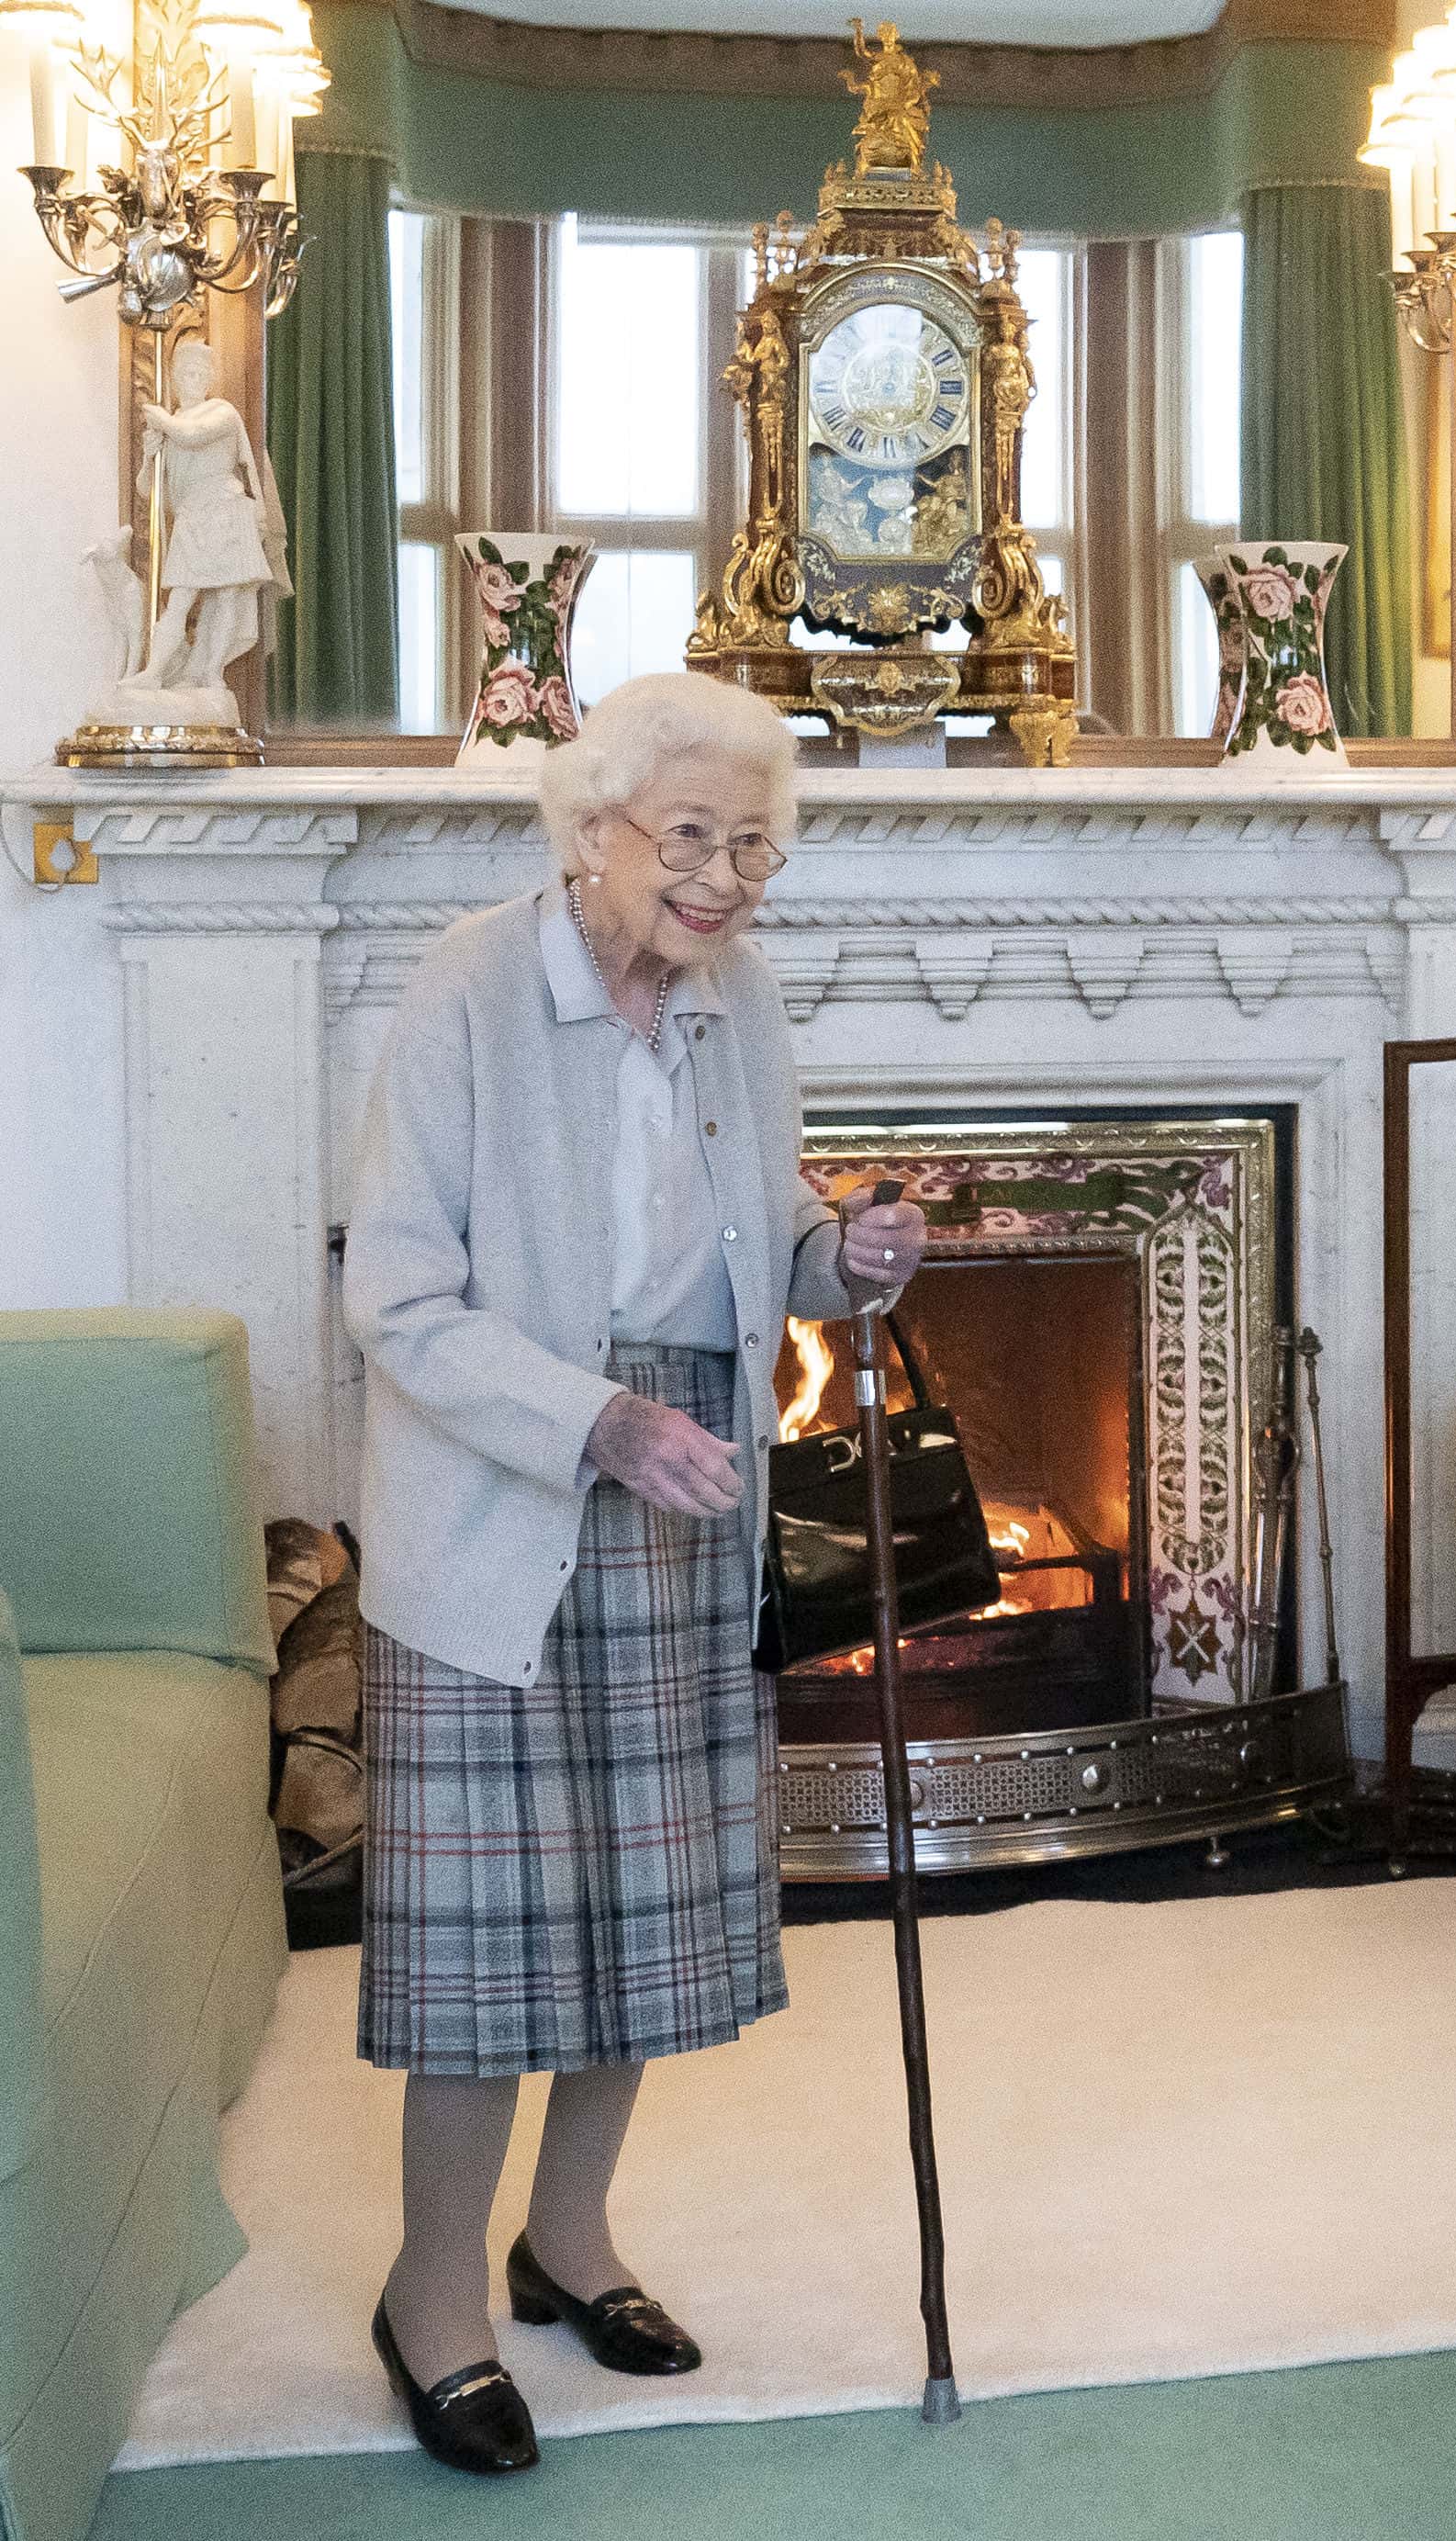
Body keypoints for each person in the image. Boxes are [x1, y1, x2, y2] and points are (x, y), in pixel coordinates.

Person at [342, 672, 927, 2477]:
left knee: (646, 1926)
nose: (726, 878)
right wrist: (591, 1423)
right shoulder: (465, 989)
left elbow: (755, 1257)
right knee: (488, 1950)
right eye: (691, 838)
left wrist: (854, 1252)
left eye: (755, 845)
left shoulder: (733, 1000)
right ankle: (433, 2292)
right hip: (511, 1491)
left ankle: (567, 2239)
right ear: (586, 826)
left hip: (687, 1487)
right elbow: (397, 1298)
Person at [125, 335, 286, 695]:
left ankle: (211, 671)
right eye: (186, 374)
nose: (192, 380)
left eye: (199, 373)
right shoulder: (170, 424)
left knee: (228, 595)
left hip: (224, 511)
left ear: (209, 379)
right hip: (192, 517)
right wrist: (150, 458)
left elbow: (193, 436)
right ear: (177, 378)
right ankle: (153, 672)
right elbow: (147, 491)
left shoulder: (221, 412)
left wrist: (162, 420)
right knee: (180, 598)